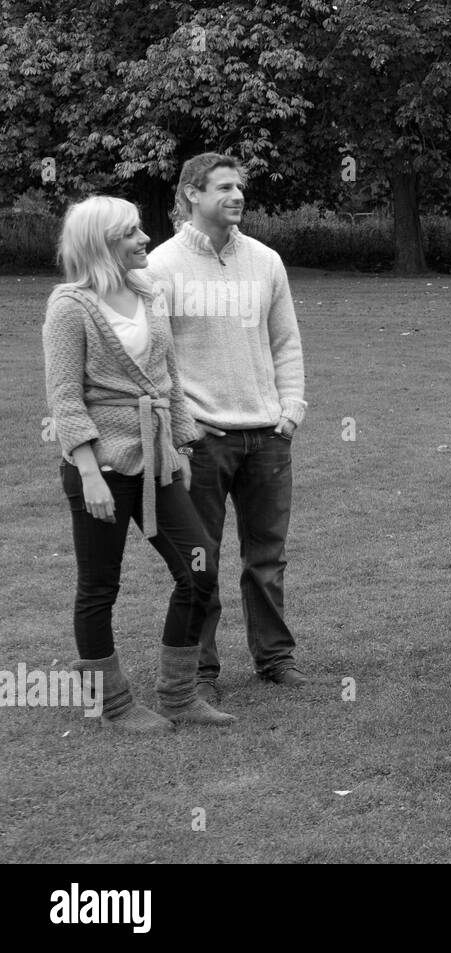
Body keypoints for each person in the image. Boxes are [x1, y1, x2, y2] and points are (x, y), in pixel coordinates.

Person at [43, 196, 236, 731]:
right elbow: (64, 399)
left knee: (198, 568)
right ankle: (116, 705)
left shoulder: (147, 294)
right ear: (103, 243)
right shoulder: (70, 307)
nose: (145, 238)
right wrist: (88, 474)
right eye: (131, 232)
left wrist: (181, 447)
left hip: (157, 462)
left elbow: (167, 383)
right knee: (99, 588)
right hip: (99, 467)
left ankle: (178, 694)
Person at [147, 153, 308, 702]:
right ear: (192, 194)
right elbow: (154, 358)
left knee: (267, 557)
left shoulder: (266, 261)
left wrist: (290, 411)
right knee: (202, 559)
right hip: (201, 438)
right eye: (223, 187)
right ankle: (199, 672)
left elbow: (285, 342)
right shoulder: (160, 267)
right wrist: (180, 427)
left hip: (267, 436)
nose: (237, 195)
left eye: (240, 186)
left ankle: (275, 659)